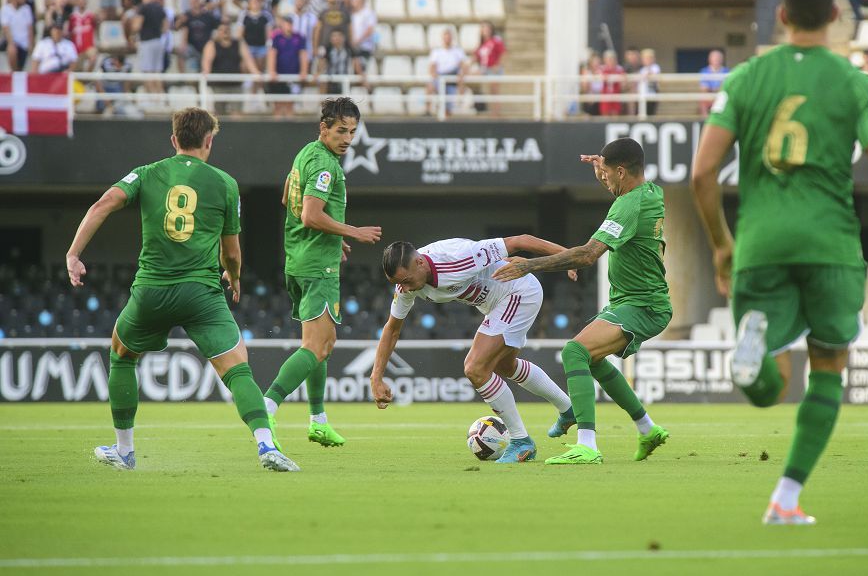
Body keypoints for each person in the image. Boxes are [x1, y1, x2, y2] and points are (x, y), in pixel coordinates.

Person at [691, 0, 868, 525]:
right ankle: (785, 498)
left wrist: (720, 245)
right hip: (831, 246)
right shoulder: (857, 83)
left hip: (760, 246)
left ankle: (751, 356)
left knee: (768, 391)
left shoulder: (743, 80)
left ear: (781, 16)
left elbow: (703, 174)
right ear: (836, 16)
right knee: (828, 365)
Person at [65, 107, 300, 472]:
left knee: (122, 354)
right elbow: (232, 252)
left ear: (174, 140)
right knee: (237, 367)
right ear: (209, 141)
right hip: (201, 295)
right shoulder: (225, 183)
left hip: (151, 291)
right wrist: (233, 277)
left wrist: (74, 254)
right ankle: (266, 446)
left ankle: (124, 451)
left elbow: (102, 204)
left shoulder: (146, 173)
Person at [493, 137, 672, 465]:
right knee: (592, 359)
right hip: (634, 301)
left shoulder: (628, 205)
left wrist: (528, 265)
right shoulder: (650, 192)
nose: (603, 178)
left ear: (621, 172)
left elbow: (589, 255)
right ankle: (647, 429)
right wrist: (602, 167)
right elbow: (622, 181)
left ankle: (587, 445)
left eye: (606, 173)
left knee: (574, 351)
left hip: (643, 304)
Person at [373, 235, 578, 463]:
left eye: (408, 280)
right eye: (400, 282)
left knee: (475, 368)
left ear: (420, 262)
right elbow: (391, 329)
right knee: (504, 366)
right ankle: (568, 408)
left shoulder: (457, 258)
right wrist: (376, 377)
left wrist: (569, 257)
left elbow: (521, 240)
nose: (406, 287)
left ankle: (521, 442)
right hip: (495, 303)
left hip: (517, 293)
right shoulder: (405, 285)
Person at [261, 98, 382, 451]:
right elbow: (311, 214)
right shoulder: (326, 165)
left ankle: (318, 422)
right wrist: (351, 232)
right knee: (319, 346)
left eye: (352, 132)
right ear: (324, 128)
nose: (347, 138)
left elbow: (289, 198)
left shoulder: (305, 154)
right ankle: (265, 408)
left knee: (318, 346)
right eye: (341, 131)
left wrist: (332, 239)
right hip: (318, 267)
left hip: (300, 259)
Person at [201, 21, 261, 114]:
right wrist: (206, 72)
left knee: (237, 114)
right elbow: (207, 62)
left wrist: (255, 72)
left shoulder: (239, 43)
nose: (225, 32)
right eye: (222, 30)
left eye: (227, 30)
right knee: (218, 115)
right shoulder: (212, 44)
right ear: (217, 31)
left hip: (235, 85)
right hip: (218, 86)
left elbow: (248, 59)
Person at [267, 16, 309, 117]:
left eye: (290, 23)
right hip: (279, 76)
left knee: (290, 104)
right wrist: (272, 71)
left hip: (293, 75)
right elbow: (272, 53)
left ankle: (290, 128)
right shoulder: (277, 37)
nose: (288, 26)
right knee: (278, 104)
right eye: (286, 23)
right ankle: (276, 129)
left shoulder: (299, 37)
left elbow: (303, 54)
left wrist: (304, 71)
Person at [133, 0, 168, 94]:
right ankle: (160, 97)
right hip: (158, 41)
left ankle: (152, 98)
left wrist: (133, 30)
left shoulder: (143, 8)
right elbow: (166, 26)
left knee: (147, 72)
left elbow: (137, 26)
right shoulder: (160, 8)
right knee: (157, 73)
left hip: (146, 42)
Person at [427, 27, 466, 115]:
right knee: (430, 86)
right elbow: (432, 67)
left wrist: (461, 74)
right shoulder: (436, 51)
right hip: (440, 77)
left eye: (449, 36)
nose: (447, 38)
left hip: (453, 77)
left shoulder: (458, 51)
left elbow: (463, 65)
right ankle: (428, 110)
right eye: (445, 36)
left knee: (448, 106)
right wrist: (435, 76)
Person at [175, 0, 218, 72]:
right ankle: (182, 78)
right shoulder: (187, 15)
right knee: (181, 52)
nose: (193, 3)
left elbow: (218, 28)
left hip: (206, 47)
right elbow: (176, 28)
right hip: (192, 47)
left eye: (195, 1)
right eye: (191, 1)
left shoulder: (208, 16)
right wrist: (180, 21)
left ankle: (208, 79)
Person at [236, 0, 274, 71]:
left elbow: (269, 34)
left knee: (260, 64)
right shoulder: (244, 15)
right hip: (248, 46)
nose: (255, 3)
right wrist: (243, 47)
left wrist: (268, 46)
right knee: (245, 65)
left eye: (257, 0)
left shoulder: (266, 16)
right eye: (252, 1)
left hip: (261, 46)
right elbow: (240, 34)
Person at [473, 21, 505, 114]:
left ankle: (496, 112)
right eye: (483, 29)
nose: (485, 31)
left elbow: (503, 53)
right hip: (484, 69)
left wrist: (498, 65)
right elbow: (476, 56)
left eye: (487, 29)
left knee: (494, 90)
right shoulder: (482, 44)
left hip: (492, 68)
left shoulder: (496, 41)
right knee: (470, 79)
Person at [1, 0, 35, 70]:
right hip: (12, 43)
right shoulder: (5, 9)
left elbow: (30, 29)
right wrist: (11, 43)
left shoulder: (26, 9)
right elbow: (6, 29)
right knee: (11, 49)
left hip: (24, 44)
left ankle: (17, 73)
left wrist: (31, 44)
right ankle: (15, 72)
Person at [348, 0, 376, 78]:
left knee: (361, 70)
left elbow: (370, 30)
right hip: (353, 46)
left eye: (356, 0)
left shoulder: (368, 13)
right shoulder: (352, 14)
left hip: (364, 47)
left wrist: (358, 41)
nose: (354, 2)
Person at [68, 0, 98, 70]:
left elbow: (96, 28)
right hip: (76, 49)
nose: (82, 1)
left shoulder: (91, 16)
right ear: (77, 1)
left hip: (88, 47)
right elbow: (69, 32)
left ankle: (88, 76)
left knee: (93, 57)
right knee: (76, 69)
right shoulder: (72, 17)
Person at [699, 49, 729, 117]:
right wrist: (716, 89)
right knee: (703, 100)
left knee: (725, 98)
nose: (716, 60)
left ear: (722, 60)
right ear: (710, 59)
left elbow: (725, 88)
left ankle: (722, 120)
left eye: (718, 58)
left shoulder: (726, 71)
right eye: (714, 58)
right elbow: (704, 88)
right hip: (709, 97)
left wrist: (715, 90)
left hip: (722, 96)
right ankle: (705, 121)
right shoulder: (704, 71)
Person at [599, 50, 625, 116]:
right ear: (605, 60)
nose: (610, 61)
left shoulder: (619, 69)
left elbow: (624, 79)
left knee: (615, 115)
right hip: (605, 96)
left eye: (612, 59)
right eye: (609, 59)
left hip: (616, 95)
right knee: (605, 114)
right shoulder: (602, 69)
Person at [637, 48, 661, 116]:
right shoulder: (642, 69)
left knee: (651, 112)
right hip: (643, 93)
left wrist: (647, 74)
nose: (647, 60)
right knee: (643, 111)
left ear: (653, 59)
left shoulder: (655, 67)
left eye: (649, 58)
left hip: (652, 93)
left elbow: (653, 74)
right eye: (645, 58)